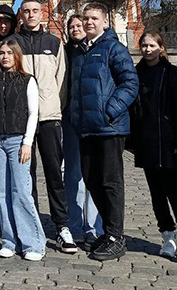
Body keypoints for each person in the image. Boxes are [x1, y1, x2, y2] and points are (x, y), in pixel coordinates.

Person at [70, 2, 138, 261]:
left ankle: (116, 236)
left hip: (109, 127)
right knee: (92, 180)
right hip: (86, 128)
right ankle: (108, 232)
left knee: (111, 182)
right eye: (85, 18)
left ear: (105, 21)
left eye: (94, 18)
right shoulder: (81, 52)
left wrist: (110, 110)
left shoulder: (113, 48)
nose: (89, 22)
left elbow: (130, 82)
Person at [9, 0, 76, 254]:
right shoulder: (12, 43)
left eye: (35, 10)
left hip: (48, 116)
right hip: (21, 120)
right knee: (25, 175)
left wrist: (53, 108)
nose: (31, 15)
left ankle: (62, 226)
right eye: (26, 11)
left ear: (41, 13)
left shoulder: (54, 43)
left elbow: (62, 79)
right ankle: (30, 223)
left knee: (53, 173)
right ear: (21, 16)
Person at [131, 31, 177, 260]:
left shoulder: (172, 73)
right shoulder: (136, 73)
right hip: (147, 141)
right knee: (156, 194)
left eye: (152, 45)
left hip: (170, 141)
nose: (147, 49)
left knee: (174, 191)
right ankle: (168, 234)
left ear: (161, 47)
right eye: (144, 45)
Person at [0, 39, 45, 261]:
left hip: (18, 140)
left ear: (17, 56)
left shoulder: (27, 80)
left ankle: (33, 243)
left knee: (21, 191)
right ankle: (9, 240)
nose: (5, 56)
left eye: (9, 53)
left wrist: (28, 142)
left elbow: (33, 113)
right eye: (2, 53)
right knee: (1, 192)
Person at [62, 13, 103, 252]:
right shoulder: (66, 52)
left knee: (93, 175)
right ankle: (75, 225)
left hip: (93, 119)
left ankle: (94, 227)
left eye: (80, 25)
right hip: (70, 118)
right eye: (72, 26)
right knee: (73, 175)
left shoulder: (96, 49)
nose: (77, 28)